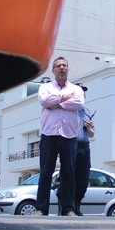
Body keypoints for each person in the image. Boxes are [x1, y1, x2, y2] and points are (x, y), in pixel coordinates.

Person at [35, 56, 84, 216]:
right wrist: (64, 98)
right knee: (45, 172)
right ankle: (41, 208)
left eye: (64, 66)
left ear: (68, 69)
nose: (62, 68)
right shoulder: (46, 87)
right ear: (53, 70)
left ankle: (68, 208)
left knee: (68, 173)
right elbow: (44, 101)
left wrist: (56, 104)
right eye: (58, 66)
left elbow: (79, 103)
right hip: (49, 134)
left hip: (69, 135)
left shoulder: (76, 89)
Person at [72, 83, 95, 216]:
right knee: (70, 177)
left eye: (84, 94)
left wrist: (88, 127)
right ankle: (68, 206)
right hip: (72, 145)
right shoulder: (69, 110)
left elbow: (92, 134)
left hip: (85, 147)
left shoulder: (87, 112)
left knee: (83, 178)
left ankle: (77, 205)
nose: (83, 95)